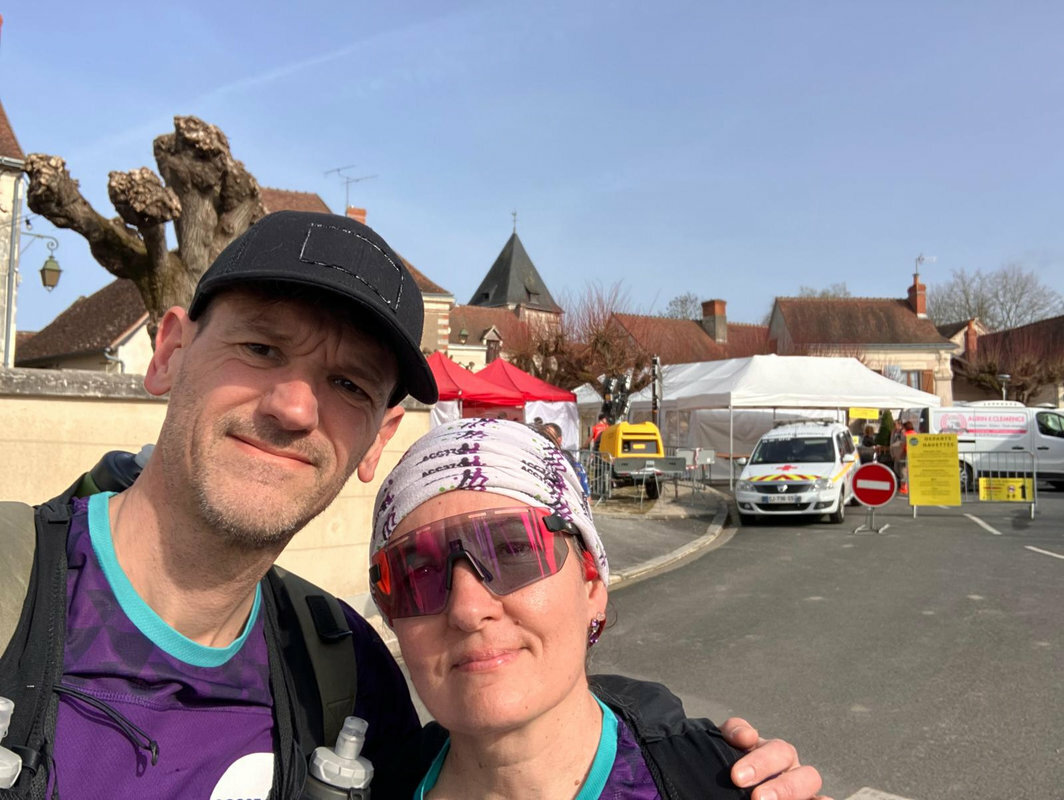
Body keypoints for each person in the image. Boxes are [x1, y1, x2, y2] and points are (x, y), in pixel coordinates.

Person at [1, 211, 822, 799]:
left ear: (378, 437)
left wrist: (687, 755)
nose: (295, 407)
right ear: (169, 352)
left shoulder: (347, 681)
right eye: (260, 347)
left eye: (348, 383)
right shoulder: (17, 592)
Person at [371, 418, 827, 800]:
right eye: (417, 573)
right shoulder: (372, 786)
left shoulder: (715, 782)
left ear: (591, 583)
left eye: (513, 550)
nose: (468, 609)